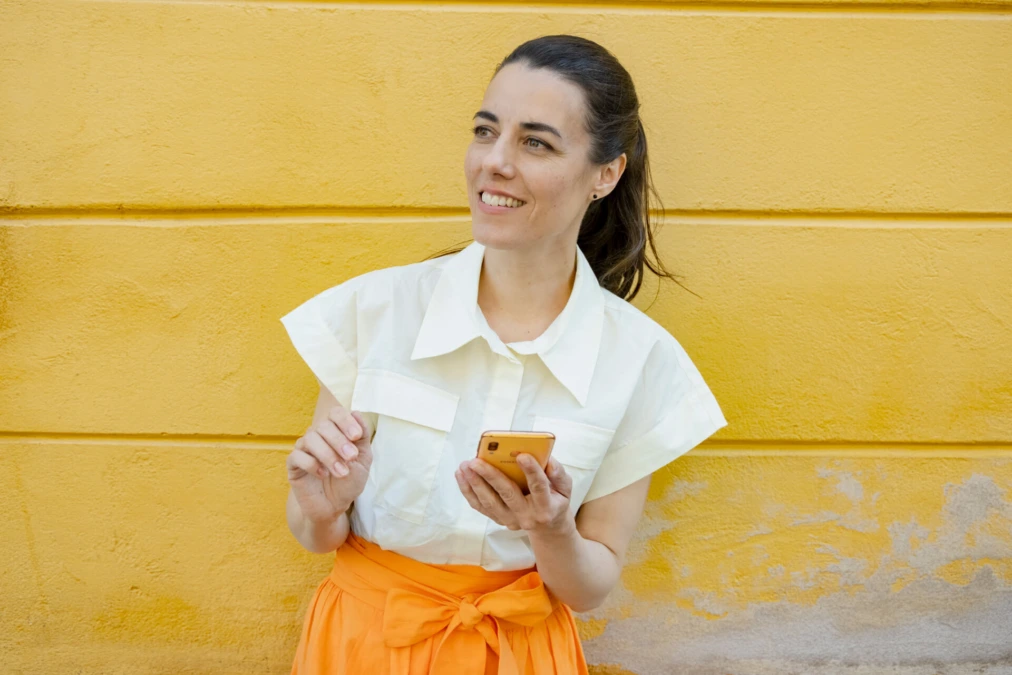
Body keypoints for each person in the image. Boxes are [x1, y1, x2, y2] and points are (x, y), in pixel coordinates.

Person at [279, 34, 726, 675]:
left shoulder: (642, 362)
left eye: (535, 142)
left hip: (520, 654)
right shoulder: (373, 313)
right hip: (363, 644)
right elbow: (316, 531)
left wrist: (550, 531)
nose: (495, 162)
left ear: (606, 173)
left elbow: (591, 587)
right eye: (486, 132)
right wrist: (320, 512)